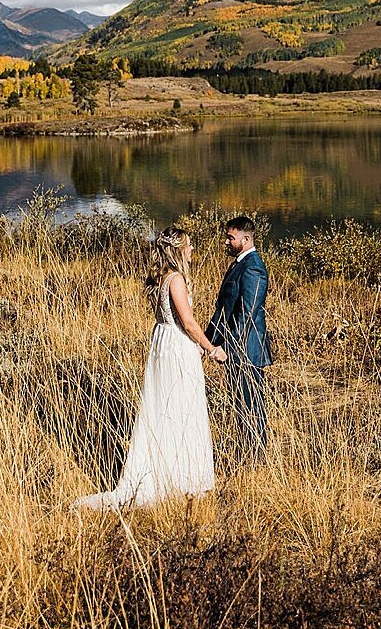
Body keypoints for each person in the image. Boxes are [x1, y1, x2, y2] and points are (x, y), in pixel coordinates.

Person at [74, 228, 225, 510]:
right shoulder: (176, 280)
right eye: (190, 246)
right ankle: (184, 478)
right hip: (177, 346)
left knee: (164, 408)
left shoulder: (158, 278)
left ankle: (172, 472)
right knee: (183, 409)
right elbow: (189, 323)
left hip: (162, 342)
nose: (193, 251)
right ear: (178, 249)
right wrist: (211, 348)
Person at [206, 214, 272, 460]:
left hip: (246, 350)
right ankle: (247, 453)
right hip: (235, 349)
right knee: (240, 404)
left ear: (245, 239)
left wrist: (228, 347)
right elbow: (224, 309)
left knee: (251, 404)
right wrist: (207, 340)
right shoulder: (239, 264)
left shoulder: (253, 267)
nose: (226, 242)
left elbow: (247, 313)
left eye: (230, 238)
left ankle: (256, 459)